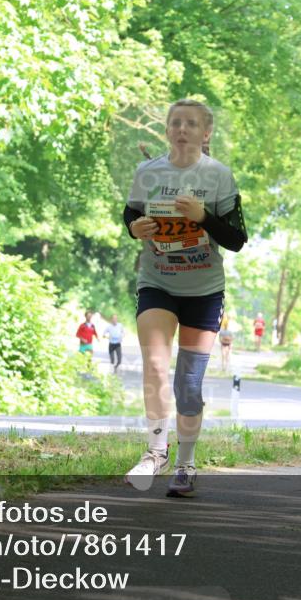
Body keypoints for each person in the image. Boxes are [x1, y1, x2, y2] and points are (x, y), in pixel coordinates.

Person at [122, 98, 247, 497]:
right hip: (157, 281)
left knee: (187, 384)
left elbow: (236, 239)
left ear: (205, 132)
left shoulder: (218, 176)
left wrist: (203, 218)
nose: (182, 129)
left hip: (203, 290)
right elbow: (130, 214)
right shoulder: (147, 172)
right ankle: (156, 451)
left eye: (191, 123)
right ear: (167, 129)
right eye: (175, 122)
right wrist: (135, 228)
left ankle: (186, 464)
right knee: (156, 364)